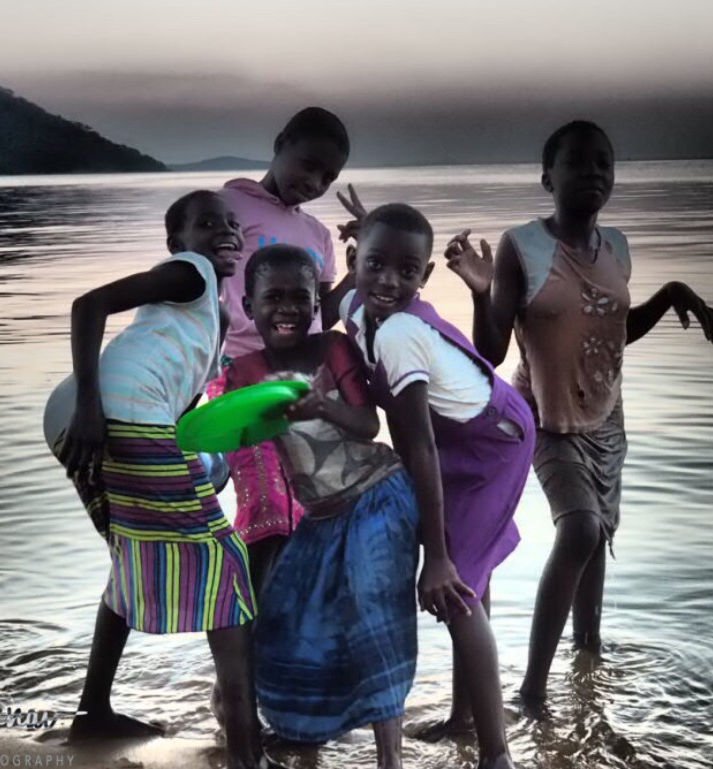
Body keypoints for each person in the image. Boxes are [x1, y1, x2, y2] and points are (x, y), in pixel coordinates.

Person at [442, 120, 713, 716]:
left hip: (606, 418)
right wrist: (478, 291)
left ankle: (589, 664)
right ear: (549, 177)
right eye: (577, 163)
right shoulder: (523, 246)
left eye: (604, 163)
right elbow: (491, 351)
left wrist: (671, 292)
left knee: (597, 541)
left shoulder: (618, 246)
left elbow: (611, 333)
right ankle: (532, 693)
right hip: (545, 417)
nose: (593, 172)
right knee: (580, 530)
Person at [44, 190, 282, 769]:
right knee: (226, 569)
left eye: (232, 225)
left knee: (131, 559)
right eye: (206, 225)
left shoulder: (214, 315)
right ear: (178, 242)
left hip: (90, 417)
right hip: (107, 415)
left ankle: (92, 713)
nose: (225, 233)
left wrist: (204, 468)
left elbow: (183, 418)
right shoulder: (192, 274)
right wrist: (92, 410)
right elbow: (88, 304)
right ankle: (246, 756)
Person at [341, 204, 534, 769]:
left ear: (425, 279)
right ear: (354, 262)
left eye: (407, 272)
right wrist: (367, 227)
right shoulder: (359, 307)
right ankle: (464, 718)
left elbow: (419, 445)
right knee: (471, 577)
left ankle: (496, 755)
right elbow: (338, 295)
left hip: (491, 441)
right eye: (375, 265)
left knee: (456, 591)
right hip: (460, 435)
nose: (389, 282)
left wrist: (437, 555)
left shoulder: (399, 332)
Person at [224, 244, 420, 768]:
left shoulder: (331, 350)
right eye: (273, 297)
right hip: (321, 517)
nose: (286, 308)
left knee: (373, 614)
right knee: (287, 619)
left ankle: (390, 761)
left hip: (378, 496)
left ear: (317, 304)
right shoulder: (243, 370)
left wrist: (322, 405)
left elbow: (368, 424)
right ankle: (306, 741)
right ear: (248, 304)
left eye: (300, 298)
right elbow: (226, 436)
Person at [211, 107, 355, 596]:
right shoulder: (227, 206)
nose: (315, 181)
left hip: (302, 381)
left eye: (328, 176)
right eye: (309, 164)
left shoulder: (318, 235)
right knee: (267, 509)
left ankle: (281, 633)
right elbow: (196, 282)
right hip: (240, 375)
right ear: (280, 143)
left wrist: (359, 268)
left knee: (306, 508)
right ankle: (245, 648)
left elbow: (323, 316)